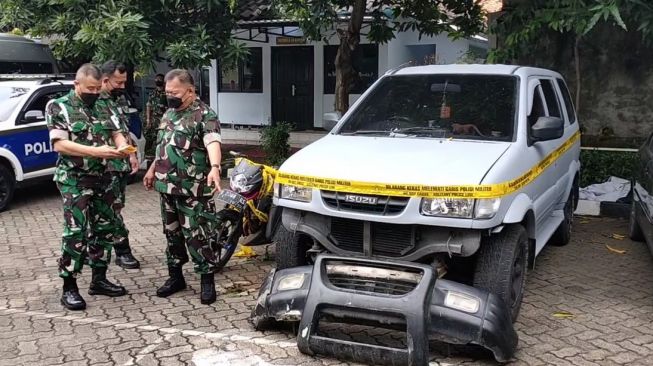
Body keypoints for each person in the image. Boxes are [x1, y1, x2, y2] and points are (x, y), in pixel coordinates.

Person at [46, 64, 130, 310]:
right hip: (74, 178)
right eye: (89, 88)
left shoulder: (104, 104)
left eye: (97, 88)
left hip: (104, 177)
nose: (94, 92)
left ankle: (99, 279)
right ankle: (69, 286)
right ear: (77, 84)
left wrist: (122, 146)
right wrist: (97, 151)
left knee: (106, 228)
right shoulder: (59, 106)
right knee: (76, 231)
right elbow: (60, 145)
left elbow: (116, 132)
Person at [143, 69, 223, 305]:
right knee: (172, 234)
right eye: (167, 92)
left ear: (190, 91)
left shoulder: (204, 115)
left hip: (194, 190)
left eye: (174, 92)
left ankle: (207, 282)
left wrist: (215, 167)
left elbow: (213, 143)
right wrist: (151, 170)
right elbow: (163, 146)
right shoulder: (168, 113)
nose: (170, 96)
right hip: (166, 188)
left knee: (199, 236)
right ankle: (175, 277)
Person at [95, 60, 141, 269]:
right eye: (118, 82)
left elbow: (123, 129)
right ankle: (121, 250)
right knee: (106, 210)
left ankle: (117, 250)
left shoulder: (118, 98)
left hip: (118, 165)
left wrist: (132, 154)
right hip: (101, 165)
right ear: (105, 79)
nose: (122, 86)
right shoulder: (93, 100)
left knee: (115, 207)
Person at [145, 73, 167, 156]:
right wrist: (148, 120)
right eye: (156, 79)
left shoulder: (167, 93)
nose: (157, 81)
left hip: (164, 119)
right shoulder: (153, 93)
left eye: (159, 80)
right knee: (150, 136)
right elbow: (148, 105)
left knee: (162, 137)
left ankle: (162, 154)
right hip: (154, 119)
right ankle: (147, 154)